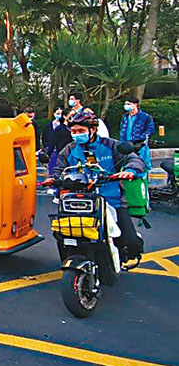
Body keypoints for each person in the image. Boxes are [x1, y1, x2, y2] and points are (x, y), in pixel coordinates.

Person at [48, 111, 144, 260]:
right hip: (79, 201)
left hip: (112, 201)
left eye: (81, 131)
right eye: (73, 131)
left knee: (130, 243)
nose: (76, 134)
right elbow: (58, 170)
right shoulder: (68, 149)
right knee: (63, 232)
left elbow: (134, 159)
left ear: (93, 130)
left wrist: (130, 170)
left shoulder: (111, 145)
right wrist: (54, 179)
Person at [119, 96, 155, 170]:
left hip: (139, 144)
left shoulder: (145, 116)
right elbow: (122, 129)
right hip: (127, 144)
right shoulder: (125, 117)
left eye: (128, 104)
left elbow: (150, 129)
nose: (126, 106)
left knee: (143, 163)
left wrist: (141, 138)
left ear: (135, 105)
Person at [42, 107, 72, 173]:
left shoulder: (72, 128)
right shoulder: (59, 129)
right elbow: (52, 143)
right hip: (62, 157)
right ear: (65, 116)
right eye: (71, 116)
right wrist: (47, 155)